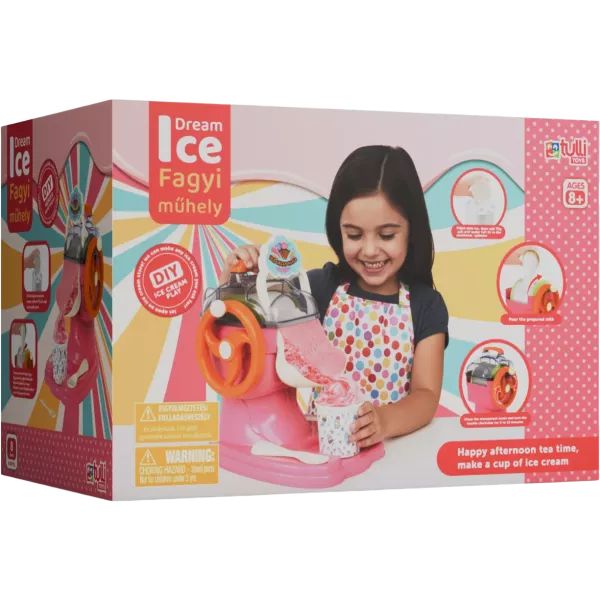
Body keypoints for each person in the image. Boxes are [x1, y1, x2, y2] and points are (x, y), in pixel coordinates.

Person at [219, 145, 448, 449]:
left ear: (411, 230)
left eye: (386, 235)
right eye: (354, 235)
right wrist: (239, 277)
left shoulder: (426, 305)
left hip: (394, 453)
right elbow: (254, 321)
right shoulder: (320, 288)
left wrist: (383, 421)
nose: (369, 250)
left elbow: (426, 396)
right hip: (326, 450)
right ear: (337, 229)